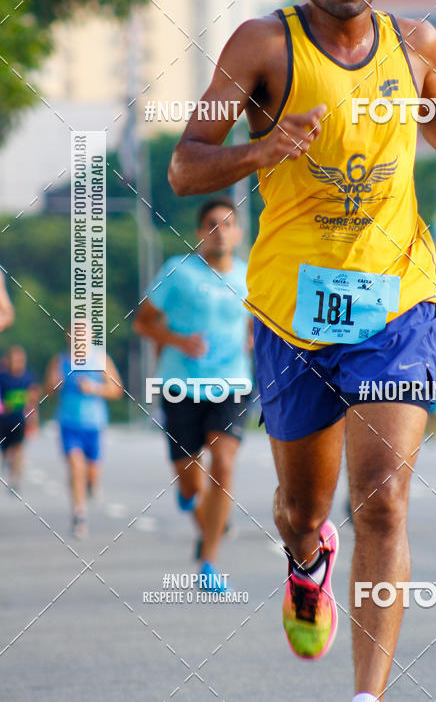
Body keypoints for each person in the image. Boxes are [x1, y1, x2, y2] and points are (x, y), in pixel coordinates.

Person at [168, 0, 436, 701]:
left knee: (381, 499)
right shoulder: (262, 45)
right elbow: (186, 164)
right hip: (291, 311)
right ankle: (307, 562)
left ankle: (367, 695)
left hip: (395, 302)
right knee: (299, 509)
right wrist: (262, 147)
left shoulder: (414, 43)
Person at [134, 198, 252, 588]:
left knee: (224, 461)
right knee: (190, 481)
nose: (220, 231)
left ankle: (209, 561)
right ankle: (191, 499)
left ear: (237, 233)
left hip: (231, 384)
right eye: (212, 225)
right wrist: (178, 341)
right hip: (181, 385)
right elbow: (143, 323)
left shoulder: (250, 278)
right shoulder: (177, 272)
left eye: (227, 224)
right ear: (201, 233)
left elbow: (256, 327)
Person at [45, 328, 123, 538]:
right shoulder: (60, 360)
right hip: (68, 423)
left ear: (90, 337)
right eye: (74, 333)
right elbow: (49, 392)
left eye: (83, 333)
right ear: (68, 336)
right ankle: (79, 514)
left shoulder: (100, 359)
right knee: (75, 464)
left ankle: (92, 484)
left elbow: (116, 390)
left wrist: (94, 389)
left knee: (91, 473)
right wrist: (54, 384)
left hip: (94, 424)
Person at [0, 346, 40, 492]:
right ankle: (7, 464)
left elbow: (33, 399)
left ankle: (15, 480)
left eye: (20, 360)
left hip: (20, 419)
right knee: (5, 450)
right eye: (14, 360)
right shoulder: (3, 377)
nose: (17, 363)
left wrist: (34, 421)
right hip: (3, 421)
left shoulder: (28, 377)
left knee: (18, 449)